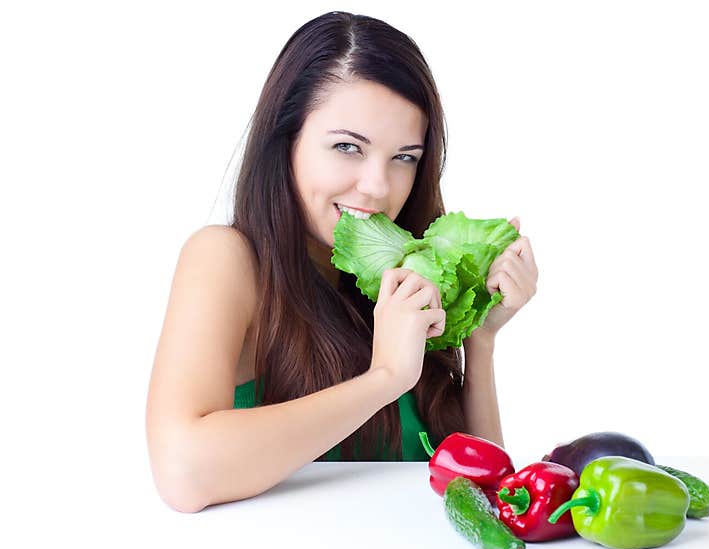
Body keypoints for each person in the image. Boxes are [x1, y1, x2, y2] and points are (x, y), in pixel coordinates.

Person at [145, 11, 538, 513]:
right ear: (286, 141)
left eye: (404, 157)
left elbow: (489, 497)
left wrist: (481, 338)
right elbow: (182, 472)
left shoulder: (408, 276)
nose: (378, 186)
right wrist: (385, 378)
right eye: (348, 147)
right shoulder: (227, 260)